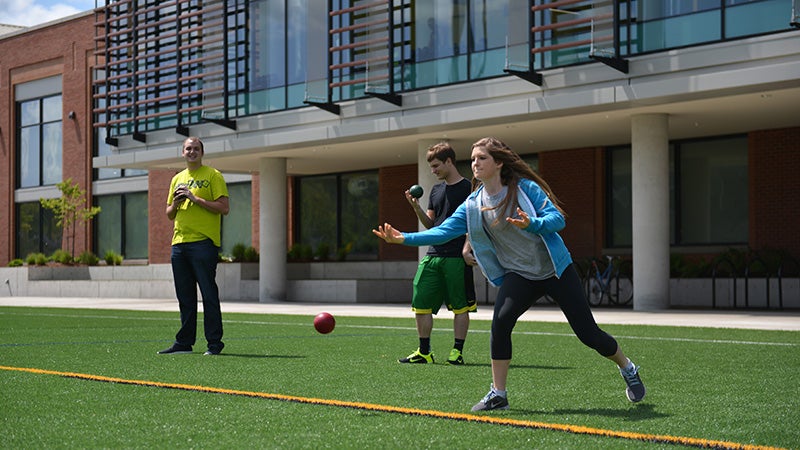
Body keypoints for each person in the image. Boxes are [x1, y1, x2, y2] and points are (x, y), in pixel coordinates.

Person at [373, 137, 645, 410]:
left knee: (589, 335)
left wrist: (533, 224)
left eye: (482, 158)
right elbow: (442, 232)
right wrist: (403, 239)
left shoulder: (526, 189)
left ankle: (628, 367)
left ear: (499, 163)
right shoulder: (473, 203)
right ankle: (498, 394)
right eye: (473, 158)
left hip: (555, 270)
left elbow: (558, 219)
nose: (475, 163)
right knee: (500, 324)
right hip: (520, 275)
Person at [399, 142, 477, 365]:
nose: (432, 171)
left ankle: (457, 352)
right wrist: (416, 208)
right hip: (433, 255)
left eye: (435, 166)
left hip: (457, 258)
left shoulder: (469, 188)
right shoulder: (435, 190)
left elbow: (474, 223)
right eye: (431, 167)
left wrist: (466, 248)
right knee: (420, 302)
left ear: (449, 161)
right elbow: (432, 226)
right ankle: (424, 352)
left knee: (460, 306)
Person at [158, 136, 230, 356]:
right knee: (185, 296)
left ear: (202, 152)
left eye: (196, 148)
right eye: (188, 149)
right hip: (179, 245)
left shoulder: (213, 175)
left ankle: (214, 344)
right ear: (182, 153)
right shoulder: (177, 178)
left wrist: (194, 197)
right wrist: (178, 202)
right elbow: (169, 214)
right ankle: (184, 343)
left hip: (203, 244)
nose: (192, 152)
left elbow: (224, 207)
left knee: (208, 294)